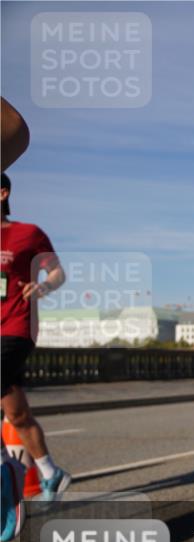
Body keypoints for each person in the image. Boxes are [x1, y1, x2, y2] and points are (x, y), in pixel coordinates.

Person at [1, 173, 72, 501]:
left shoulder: (27, 234)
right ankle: (50, 472)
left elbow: (57, 271)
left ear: (3, 193)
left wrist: (44, 285)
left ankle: (7, 473)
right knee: (17, 415)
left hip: (15, 329)